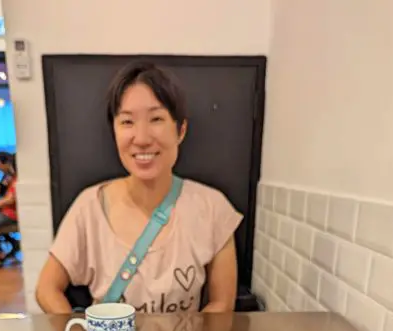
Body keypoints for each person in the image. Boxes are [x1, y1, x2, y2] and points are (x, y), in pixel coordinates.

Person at [36, 61, 241, 314]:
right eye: (127, 122)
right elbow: (46, 289)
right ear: (114, 130)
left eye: (156, 119)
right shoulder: (89, 206)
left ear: (181, 130)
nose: (142, 139)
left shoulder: (213, 208)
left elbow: (222, 304)